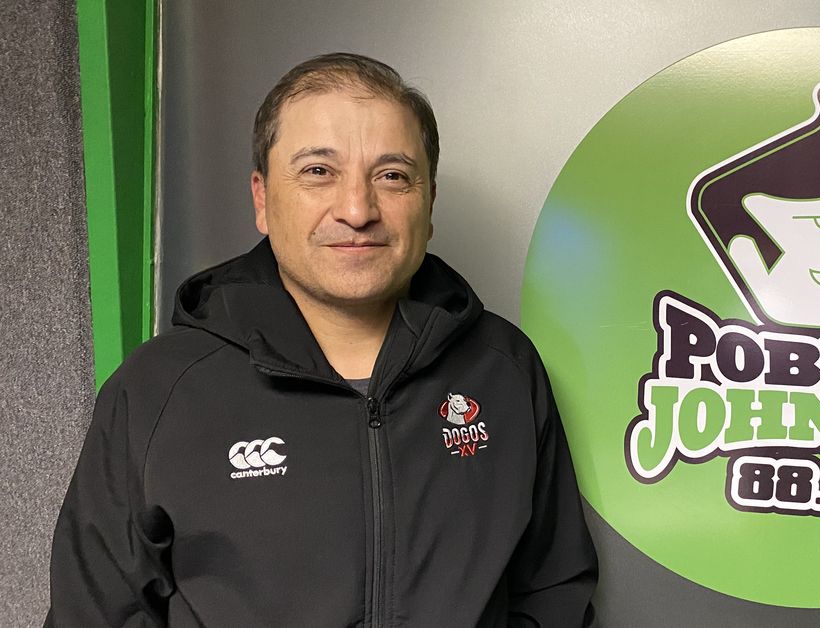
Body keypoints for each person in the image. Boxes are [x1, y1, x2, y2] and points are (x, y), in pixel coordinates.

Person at [45, 52, 597, 627]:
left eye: (392, 176)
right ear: (262, 199)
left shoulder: (504, 369)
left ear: (429, 203)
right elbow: (95, 614)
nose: (357, 210)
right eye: (317, 171)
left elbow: (553, 591)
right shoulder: (158, 388)